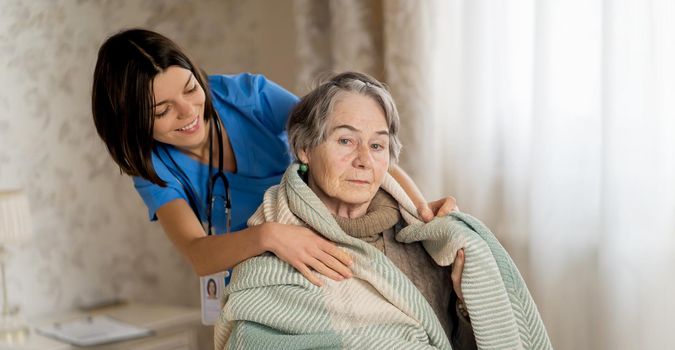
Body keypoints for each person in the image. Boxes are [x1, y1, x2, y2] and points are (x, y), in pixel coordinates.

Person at [91, 28, 459, 287]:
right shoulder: (154, 166)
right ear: (132, 122)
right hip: (265, 274)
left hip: (338, 240)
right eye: (162, 111)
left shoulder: (246, 95)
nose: (189, 112)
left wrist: (420, 211)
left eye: (191, 89)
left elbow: (351, 145)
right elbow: (198, 254)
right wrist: (270, 236)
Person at [215, 71, 474, 349]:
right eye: (345, 141)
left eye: (377, 145)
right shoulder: (274, 254)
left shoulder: (427, 241)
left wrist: (466, 304)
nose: (364, 159)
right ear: (305, 149)